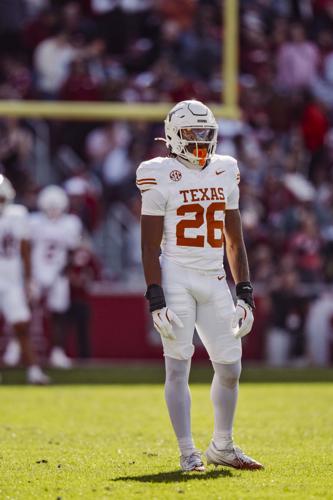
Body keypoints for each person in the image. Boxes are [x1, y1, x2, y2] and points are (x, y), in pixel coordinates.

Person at [137, 100, 263, 472]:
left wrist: (245, 291)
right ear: (174, 136)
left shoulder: (226, 169)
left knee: (231, 368)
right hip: (176, 276)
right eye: (192, 133)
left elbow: (234, 239)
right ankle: (187, 451)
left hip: (214, 278)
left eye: (206, 133)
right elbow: (149, 245)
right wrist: (155, 296)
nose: (200, 140)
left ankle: (222, 446)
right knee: (178, 367)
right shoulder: (157, 173)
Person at [0, 175, 49, 384]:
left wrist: (28, 280)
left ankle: (33, 371)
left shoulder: (17, 215)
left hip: (11, 280)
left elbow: (25, 251)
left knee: (22, 326)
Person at [29, 185, 82, 368]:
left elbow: (72, 251)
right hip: (36, 272)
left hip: (58, 273)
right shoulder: (34, 222)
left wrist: (64, 271)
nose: (52, 211)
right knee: (26, 311)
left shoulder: (70, 223)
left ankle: (57, 352)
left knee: (59, 314)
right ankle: (18, 347)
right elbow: (26, 249)